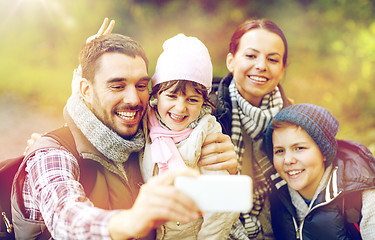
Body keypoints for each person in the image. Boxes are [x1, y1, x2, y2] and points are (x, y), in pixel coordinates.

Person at [11, 21, 238, 239]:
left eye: (141, 86)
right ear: (85, 90)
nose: (133, 99)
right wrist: (132, 220)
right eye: (117, 86)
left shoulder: (148, 133)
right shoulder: (52, 155)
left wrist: (229, 171)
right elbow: (67, 217)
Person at [141, 33, 239, 239]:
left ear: (204, 102)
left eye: (192, 99)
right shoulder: (144, 122)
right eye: (171, 96)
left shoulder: (206, 134)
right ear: (156, 93)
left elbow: (222, 206)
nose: (180, 107)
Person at [211, 18, 292, 239]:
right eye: (250, 55)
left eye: (272, 59)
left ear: (282, 69)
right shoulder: (206, 111)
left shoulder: (293, 119)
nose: (261, 66)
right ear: (231, 61)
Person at [263, 103, 375, 239]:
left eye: (299, 148)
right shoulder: (274, 198)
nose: (287, 160)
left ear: (324, 153)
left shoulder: (362, 196)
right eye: (279, 151)